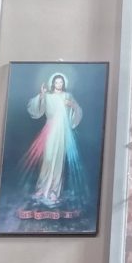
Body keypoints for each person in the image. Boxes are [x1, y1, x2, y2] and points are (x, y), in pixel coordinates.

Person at [23, 73, 84, 207]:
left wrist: (72, 105)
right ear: (53, 84)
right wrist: (41, 95)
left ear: (64, 83)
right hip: (50, 130)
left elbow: (78, 111)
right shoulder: (49, 96)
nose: (59, 85)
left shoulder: (68, 96)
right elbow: (36, 109)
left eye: (61, 82)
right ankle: (41, 188)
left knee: (58, 161)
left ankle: (54, 191)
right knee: (48, 158)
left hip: (62, 132)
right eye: (56, 82)